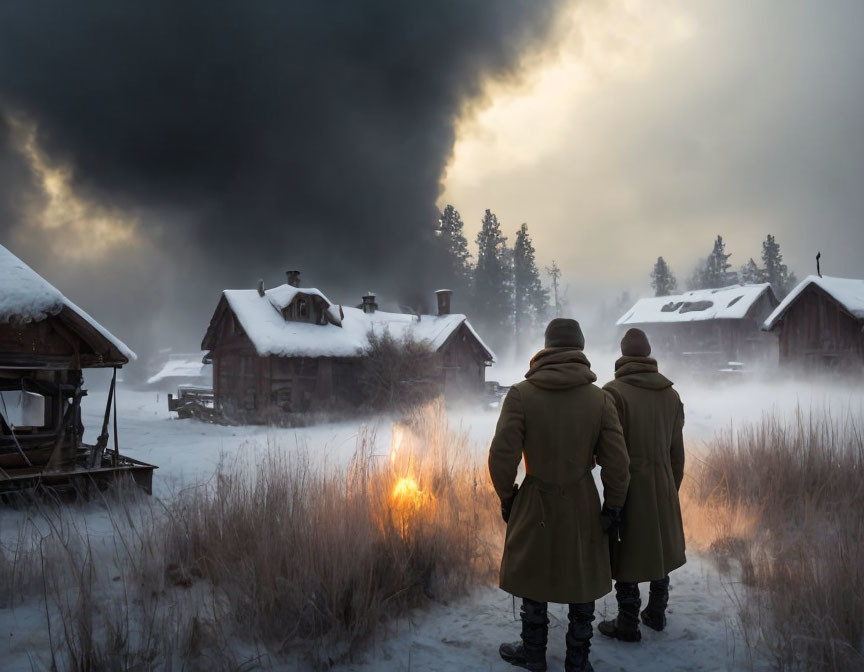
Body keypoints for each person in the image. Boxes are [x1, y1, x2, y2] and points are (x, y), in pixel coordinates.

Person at [489, 318, 631, 672]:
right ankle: (578, 660)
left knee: (533, 576)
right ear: (580, 349)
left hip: (534, 495)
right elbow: (618, 463)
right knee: (581, 578)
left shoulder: (521, 394)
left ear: (547, 347)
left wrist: (508, 497)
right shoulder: (600, 399)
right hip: (582, 498)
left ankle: (533, 653)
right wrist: (613, 505)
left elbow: (501, 457)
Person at [598, 328, 686, 643]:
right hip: (662, 484)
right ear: (648, 354)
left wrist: (613, 496)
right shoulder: (671, 395)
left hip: (629, 486)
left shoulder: (612, 393)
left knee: (626, 550)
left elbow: (610, 453)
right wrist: (669, 487)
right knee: (658, 546)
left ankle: (627, 622)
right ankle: (657, 611)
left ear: (622, 354)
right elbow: (677, 453)